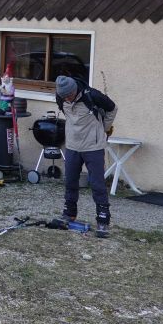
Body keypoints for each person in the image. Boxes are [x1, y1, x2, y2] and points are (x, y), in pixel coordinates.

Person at [55, 75, 117, 238]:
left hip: (93, 146)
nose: (67, 99)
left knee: (97, 184)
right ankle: (69, 213)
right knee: (70, 181)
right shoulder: (60, 97)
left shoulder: (92, 95)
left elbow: (112, 108)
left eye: (69, 95)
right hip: (72, 146)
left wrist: (103, 128)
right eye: (64, 97)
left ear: (75, 89)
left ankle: (103, 220)